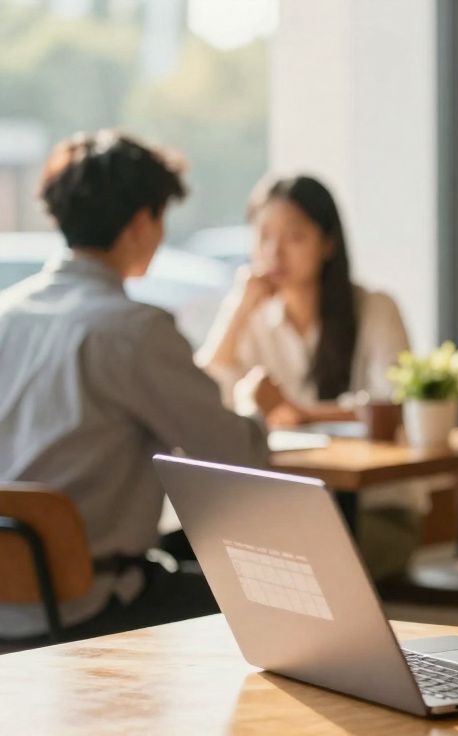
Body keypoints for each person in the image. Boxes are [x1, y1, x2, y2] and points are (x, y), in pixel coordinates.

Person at [0, 130, 269, 645]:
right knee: (264, 598)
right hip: (88, 605)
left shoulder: (6, 315)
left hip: (7, 608)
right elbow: (236, 458)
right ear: (143, 222)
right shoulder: (134, 331)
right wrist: (254, 410)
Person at [196, 174, 424, 579]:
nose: (274, 252)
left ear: (328, 243)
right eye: (263, 236)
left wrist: (297, 412)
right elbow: (200, 396)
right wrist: (238, 308)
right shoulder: (255, 319)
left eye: (294, 237)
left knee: (289, 570)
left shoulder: (374, 309)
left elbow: (391, 409)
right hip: (288, 511)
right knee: (224, 558)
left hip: (377, 512)